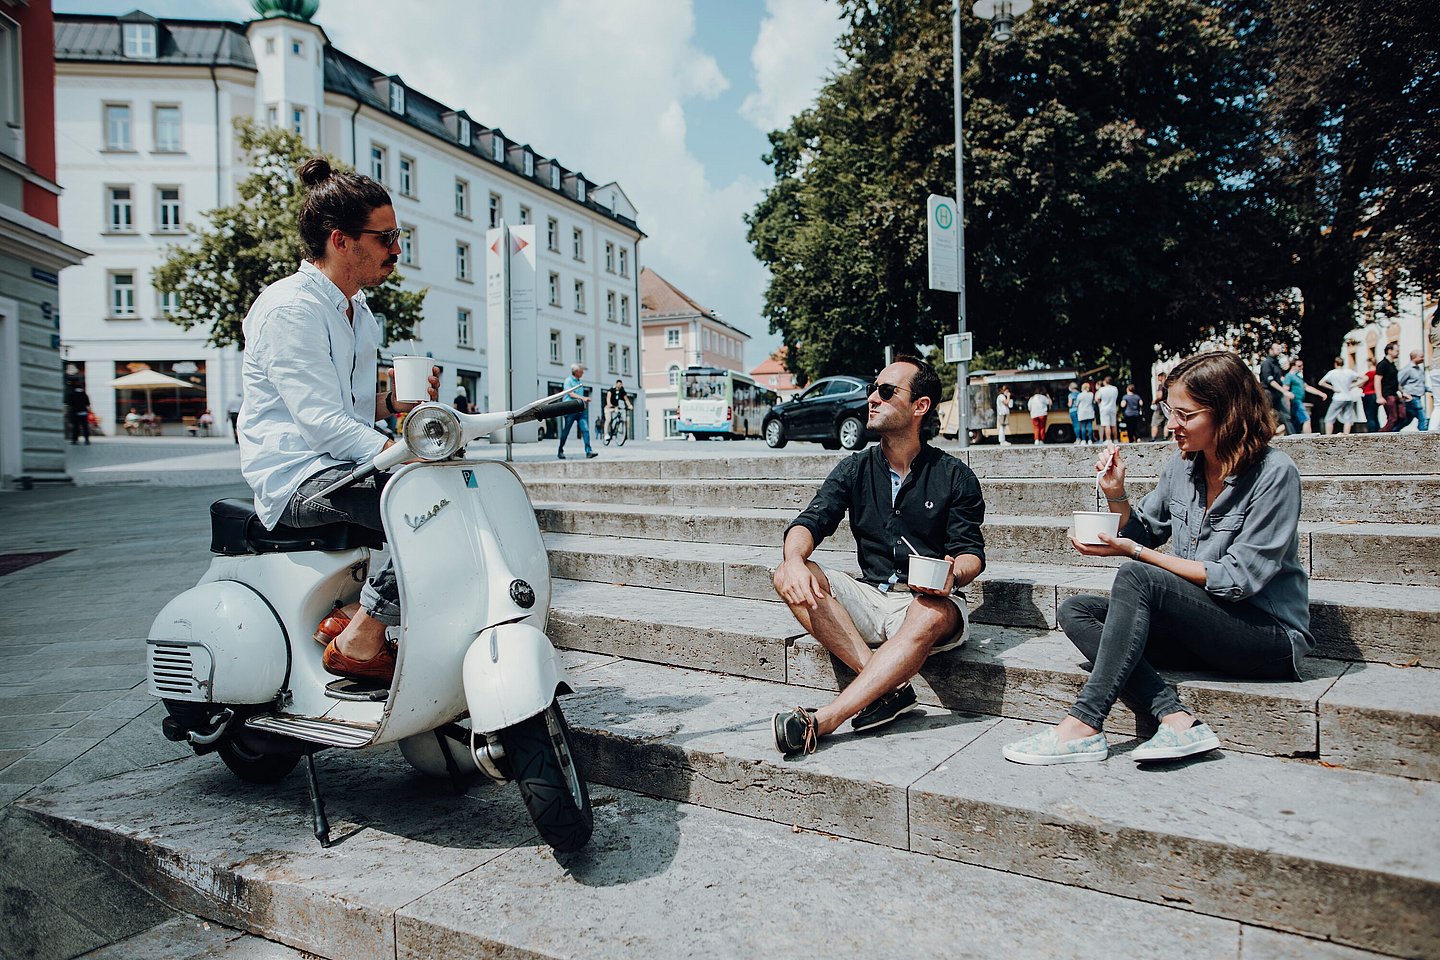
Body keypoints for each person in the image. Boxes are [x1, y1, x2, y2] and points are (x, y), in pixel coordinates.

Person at [1001, 350, 1312, 765]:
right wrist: (1115, 495)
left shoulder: (1275, 473)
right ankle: (1175, 716)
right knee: (1078, 610)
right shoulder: (1182, 468)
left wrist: (1133, 551)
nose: (1171, 425)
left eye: (1185, 415)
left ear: (1228, 412)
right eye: (1170, 411)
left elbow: (1239, 578)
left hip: (1266, 636)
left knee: (1137, 574)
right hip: (1202, 626)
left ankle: (1085, 723)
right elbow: (1142, 529)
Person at [239, 156, 438, 684]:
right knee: (428, 507)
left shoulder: (359, 312)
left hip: (336, 465)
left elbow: (349, 412)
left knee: (451, 490)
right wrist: (405, 451)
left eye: (398, 236)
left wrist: (395, 410)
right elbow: (321, 423)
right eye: (387, 237)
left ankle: (352, 616)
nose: (397, 249)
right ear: (341, 240)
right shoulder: (290, 309)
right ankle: (362, 637)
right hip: (296, 478)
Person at [771, 356, 985, 756]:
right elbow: (809, 521)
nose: (872, 398)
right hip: (870, 597)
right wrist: (796, 560)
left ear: (919, 406)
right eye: (874, 389)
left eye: (886, 392)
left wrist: (951, 574)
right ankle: (890, 687)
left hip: (929, 603)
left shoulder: (955, 475)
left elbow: (971, 553)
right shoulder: (855, 468)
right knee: (786, 572)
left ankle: (824, 720)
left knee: (930, 609)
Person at [557, 363, 597, 459]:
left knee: (585, 430)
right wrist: (583, 398)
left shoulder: (579, 382)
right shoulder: (568, 381)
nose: (583, 372)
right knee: (566, 431)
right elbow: (570, 394)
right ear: (576, 372)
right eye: (581, 371)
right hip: (570, 409)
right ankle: (560, 451)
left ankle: (589, 451)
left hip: (580, 410)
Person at [1259, 341, 1296, 435]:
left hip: (1277, 393)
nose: (1279, 350)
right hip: (1268, 393)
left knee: (1286, 416)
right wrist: (1284, 391)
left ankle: (1293, 437)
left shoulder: (1276, 363)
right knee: (1265, 416)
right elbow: (1270, 381)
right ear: (1270, 350)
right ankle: (1262, 436)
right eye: (1277, 348)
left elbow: (1279, 379)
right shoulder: (1266, 363)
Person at [1318, 357, 1362, 435]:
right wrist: (1354, 385)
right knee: (1348, 418)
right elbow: (1363, 378)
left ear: (1335, 364)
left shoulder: (1332, 373)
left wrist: (1333, 388)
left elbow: (1321, 382)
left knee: (1329, 418)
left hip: (1338, 397)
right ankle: (1346, 435)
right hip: (1348, 397)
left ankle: (1328, 435)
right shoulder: (1349, 372)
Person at [1284, 358, 1326, 434]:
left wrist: (1320, 393)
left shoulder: (1298, 377)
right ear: (1293, 366)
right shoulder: (1289, 376)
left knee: (1295, 423)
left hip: (1299, 401)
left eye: (1302, 366)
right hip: (1295, 402)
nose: (1301, 368)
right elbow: (1285, 390)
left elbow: (1307, 387)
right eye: (1299, 366)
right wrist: (1287, 404)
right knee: (1306, 419)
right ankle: (1308, 439)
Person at [1396, 350, 1430, 432]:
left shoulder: (1419, 369)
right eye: (1421, 356)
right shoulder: (1408, 369)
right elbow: (1397, 382)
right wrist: (1404, 394)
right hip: (1411, 398)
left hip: (1417, 397)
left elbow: (1420, 385)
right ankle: (1424, 436)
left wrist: (1430, 390)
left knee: (1407, 420)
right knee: (1423, 419)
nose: (1423, 358)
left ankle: (1392, 431)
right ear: (1414, 357)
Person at [1377, 343, 1402, 431]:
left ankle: (1392, 433)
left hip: (1394, 394)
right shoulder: (1382, 364)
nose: (1398, 353)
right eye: (1397, 351)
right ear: (1389, 351)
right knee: (1393, 418)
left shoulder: (1392, 365)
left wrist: (1402, 392)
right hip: (1387, 394)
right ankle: (1381, 435)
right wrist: (1379, 397)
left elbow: (1395, 380)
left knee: (1402, 416)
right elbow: (1377, 380)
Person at [1096, 376, 1119, 443]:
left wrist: (1100, 404)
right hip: (1113, 407)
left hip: (1104, 408)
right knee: (1114, 424)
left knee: (1107, 425)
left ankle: (1108, 439)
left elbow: (1098, 399)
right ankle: (1115, 439)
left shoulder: (1102, 389)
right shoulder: (1115, 389)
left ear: (1105, 381)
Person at [1360, 365, 1381, 432]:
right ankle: (1378, 431)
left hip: (1368, 394)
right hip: (1375, 394)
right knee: (1375, 416)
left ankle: (1372, 432)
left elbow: (1362, 382)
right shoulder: (1378, 373)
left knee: (1370, 416)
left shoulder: (1369, 373)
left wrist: (1352, 385)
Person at [1075, 381, 1096, 446]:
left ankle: (1083, 440)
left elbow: (1076, 404)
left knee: (1083, 427)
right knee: (1090, 426)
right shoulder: (1091, 394)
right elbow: (1093, 402)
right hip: (1090, 411)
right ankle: (1090, 440)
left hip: (1082, 412)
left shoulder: (1080, 395)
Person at [1150, 372, 1170, 440]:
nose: (1158, 378)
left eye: (1158, 376)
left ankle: (1153, 438)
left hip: (1160, 406)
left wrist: (1154, 401)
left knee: (1155, 422)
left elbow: (1160, 395)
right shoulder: (1169, 385)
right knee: (1166, 422)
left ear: (1161, 377)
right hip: (1168, 405)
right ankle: (1165, 437)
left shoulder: (1161, 385)